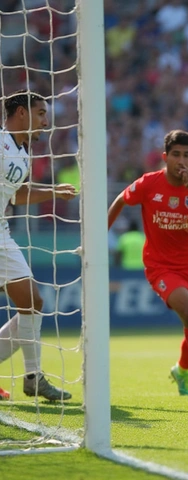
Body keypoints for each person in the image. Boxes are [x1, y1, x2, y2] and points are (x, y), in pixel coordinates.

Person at [107, 129, 188, 399]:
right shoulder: (149, 183)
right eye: (176, 154)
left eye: (186, 155)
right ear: (165, 157)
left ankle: (181, 371)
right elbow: (120, 200)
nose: (181, 160)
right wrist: (101, 231)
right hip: (161, 265)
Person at [0, 90, 76, 401]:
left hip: (2, 233)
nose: (46, 121)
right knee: (32, 303)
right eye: (41, 113)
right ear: (21, 113)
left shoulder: (24, 153)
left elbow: (17, 195)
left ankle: (33, 378)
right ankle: (33, 377)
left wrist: (54, 192)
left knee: (31, 302)